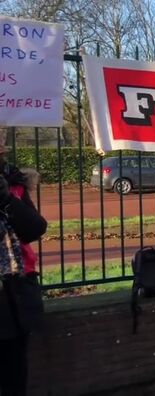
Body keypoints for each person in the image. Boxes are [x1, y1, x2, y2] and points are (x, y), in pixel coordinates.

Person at [0, 134, 47, 396]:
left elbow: (35, 229)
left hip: (14, 292)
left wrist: (8, 200)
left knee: (15, 370)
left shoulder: (13, 184)